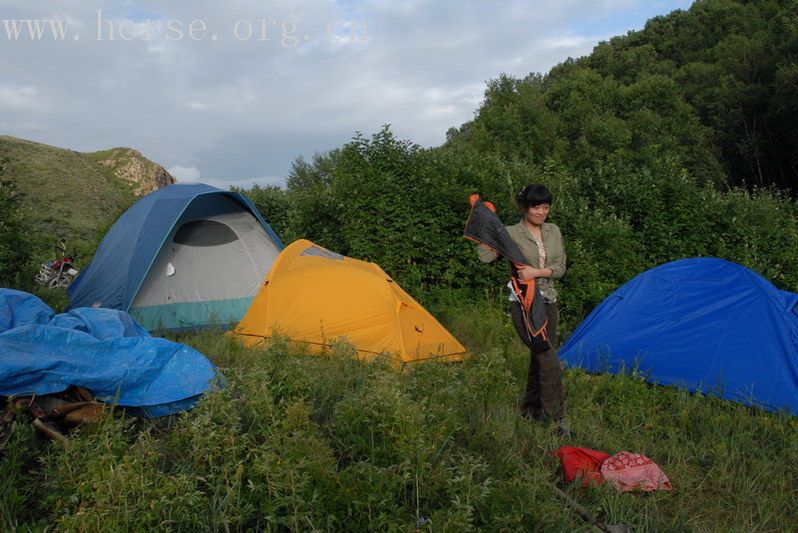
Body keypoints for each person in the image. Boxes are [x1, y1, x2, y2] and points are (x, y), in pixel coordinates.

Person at [476, 184, 569, 436]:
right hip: (524, 304)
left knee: (539, 358)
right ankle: (557, 419)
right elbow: (485, 256)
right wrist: (484, 226)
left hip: (548, 301)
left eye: (546, 207)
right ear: (524, 207)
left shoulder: (553, 231)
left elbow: (560, 267)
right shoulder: (511, 233)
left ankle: (530, 410)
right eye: (536, 206)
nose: (541, 212)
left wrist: (536, 272)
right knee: (549, 359)